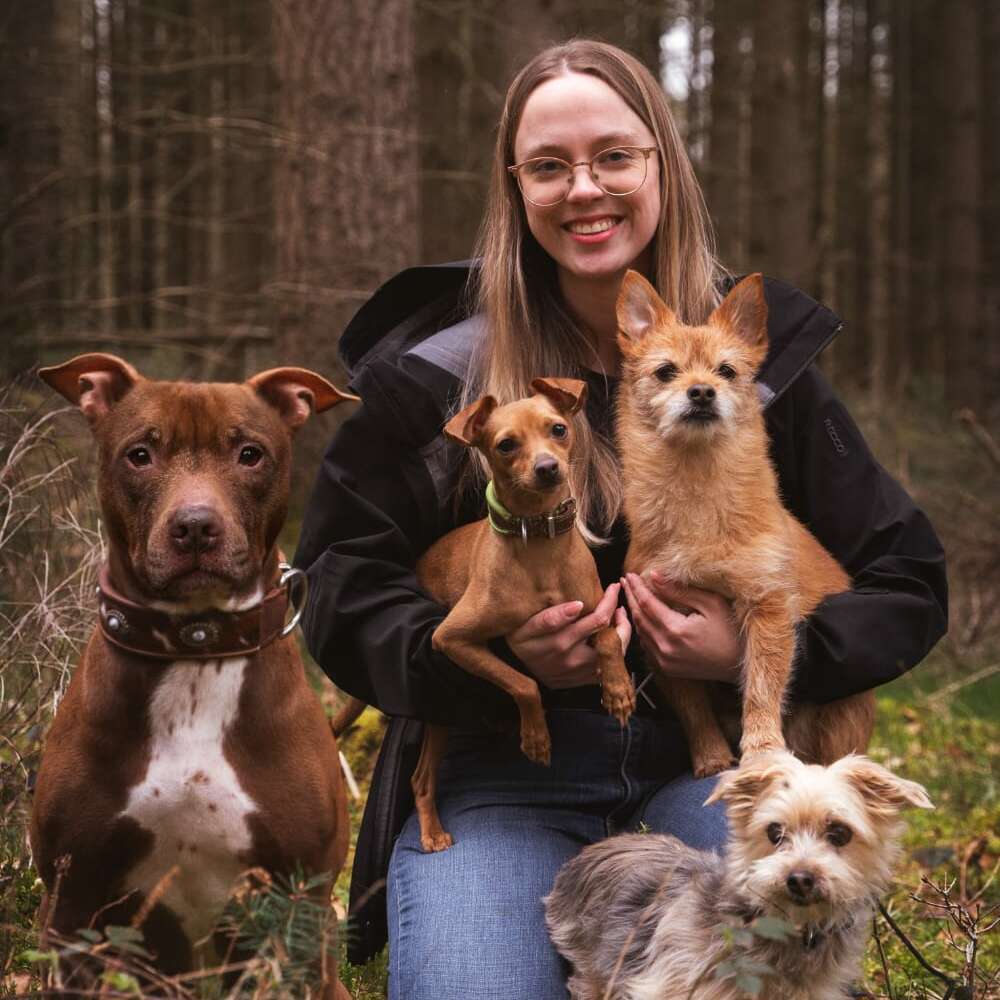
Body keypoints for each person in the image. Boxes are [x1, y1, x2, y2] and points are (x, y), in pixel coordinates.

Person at [294, 40, 947, 1000]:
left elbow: (908, 581)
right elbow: (339, 583)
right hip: (500, 776)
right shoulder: (442, 373)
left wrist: (745, 651)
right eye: (549, 166)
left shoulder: (756, 371)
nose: (584, 188)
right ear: (514, 188)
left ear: (662, 167)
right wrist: (485, 667)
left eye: (614, 156)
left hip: (718, 778)